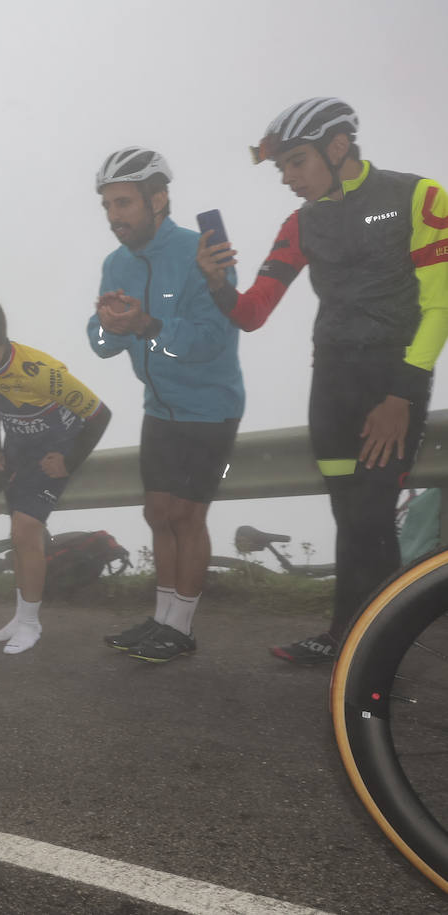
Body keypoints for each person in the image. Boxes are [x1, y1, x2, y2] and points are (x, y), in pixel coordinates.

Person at [196, 98, 448, 664]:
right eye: (282, 166)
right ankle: (345, 638)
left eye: (297, 162)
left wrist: (403, 394)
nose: (287, 177)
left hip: (393, 379)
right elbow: (253, 311)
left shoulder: (419, 197)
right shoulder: (301, 222)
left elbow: (440, 307)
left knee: (373, 518)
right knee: (347, 516)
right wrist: (217, 284)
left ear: (338, 148)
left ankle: (379, 652)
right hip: (332, 383)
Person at [87, 147, 245, 664]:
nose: (115, 217)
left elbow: (211, 342)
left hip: (211, 407)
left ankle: (182, 626)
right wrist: (109, 328)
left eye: (124, 203)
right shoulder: (116, 263)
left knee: (186, 516)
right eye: (108, 205)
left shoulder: (201, 253)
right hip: (160, 407)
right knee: (157, 513)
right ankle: (160, 618)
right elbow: (101, 342)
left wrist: (148, 328)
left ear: (159, 200)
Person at [0, 295, 111, 655]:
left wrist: (69, 462)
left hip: (54, 452)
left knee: (25, 531)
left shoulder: (40, 371)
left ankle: (32, 625)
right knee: (19, 537)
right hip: (19, 449)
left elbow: (101, 414)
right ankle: (21, 617)